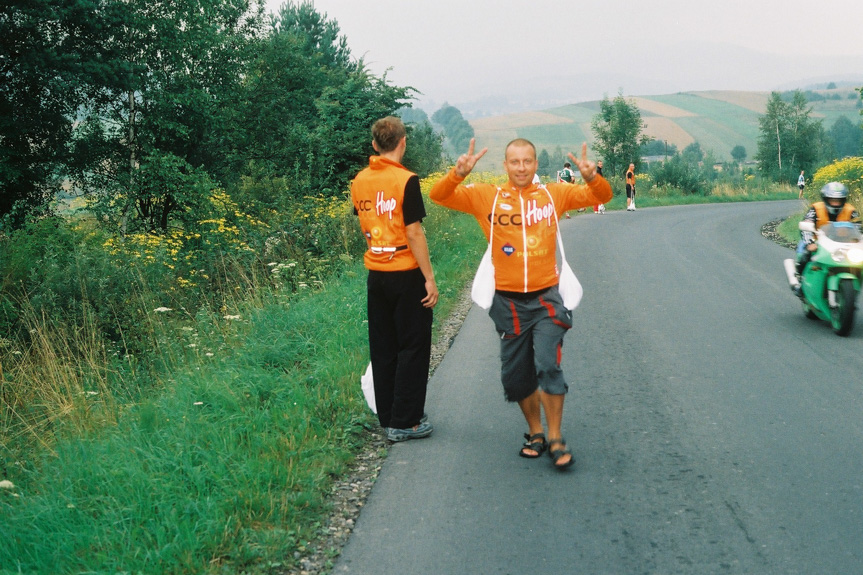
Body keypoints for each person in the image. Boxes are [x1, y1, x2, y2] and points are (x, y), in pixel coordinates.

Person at [429, 138, 612, 470]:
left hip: (546, 298)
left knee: (547, 365)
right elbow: (439, 196)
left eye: (528, 161)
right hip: (507, 303)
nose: (522, 167)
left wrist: (591, 176)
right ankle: (536, 431)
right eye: (515, 162)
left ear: (536, 164)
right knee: (515, 378)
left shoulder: (553, 195)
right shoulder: (488, 196)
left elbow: (602, 197)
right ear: (505, 166)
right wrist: (456, 174)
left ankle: (556, 438)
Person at [351, 116, 439, 442]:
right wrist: (428, 278)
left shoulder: (359, 181)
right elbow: (414, 231)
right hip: (405, 271)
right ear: (403, 142)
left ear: (375, 145)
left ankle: (388, 416)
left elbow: (365, 222)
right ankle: (407, 421)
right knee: (413, 346)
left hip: (377, 273)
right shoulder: (406, 180)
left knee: (384, 347)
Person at [794, 182, 860, 292]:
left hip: (844, 244)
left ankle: (853, 287)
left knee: (857, 261)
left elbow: (859, 228)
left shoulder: (851, 211)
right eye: (832, 200)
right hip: (817, 242)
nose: (835, 203)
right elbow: (806, 225)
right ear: (825, 199)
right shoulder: (815, 208)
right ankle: (800, 281)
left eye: (838, 200)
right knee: (805, 254)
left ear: (844, 200)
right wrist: (810, 243)